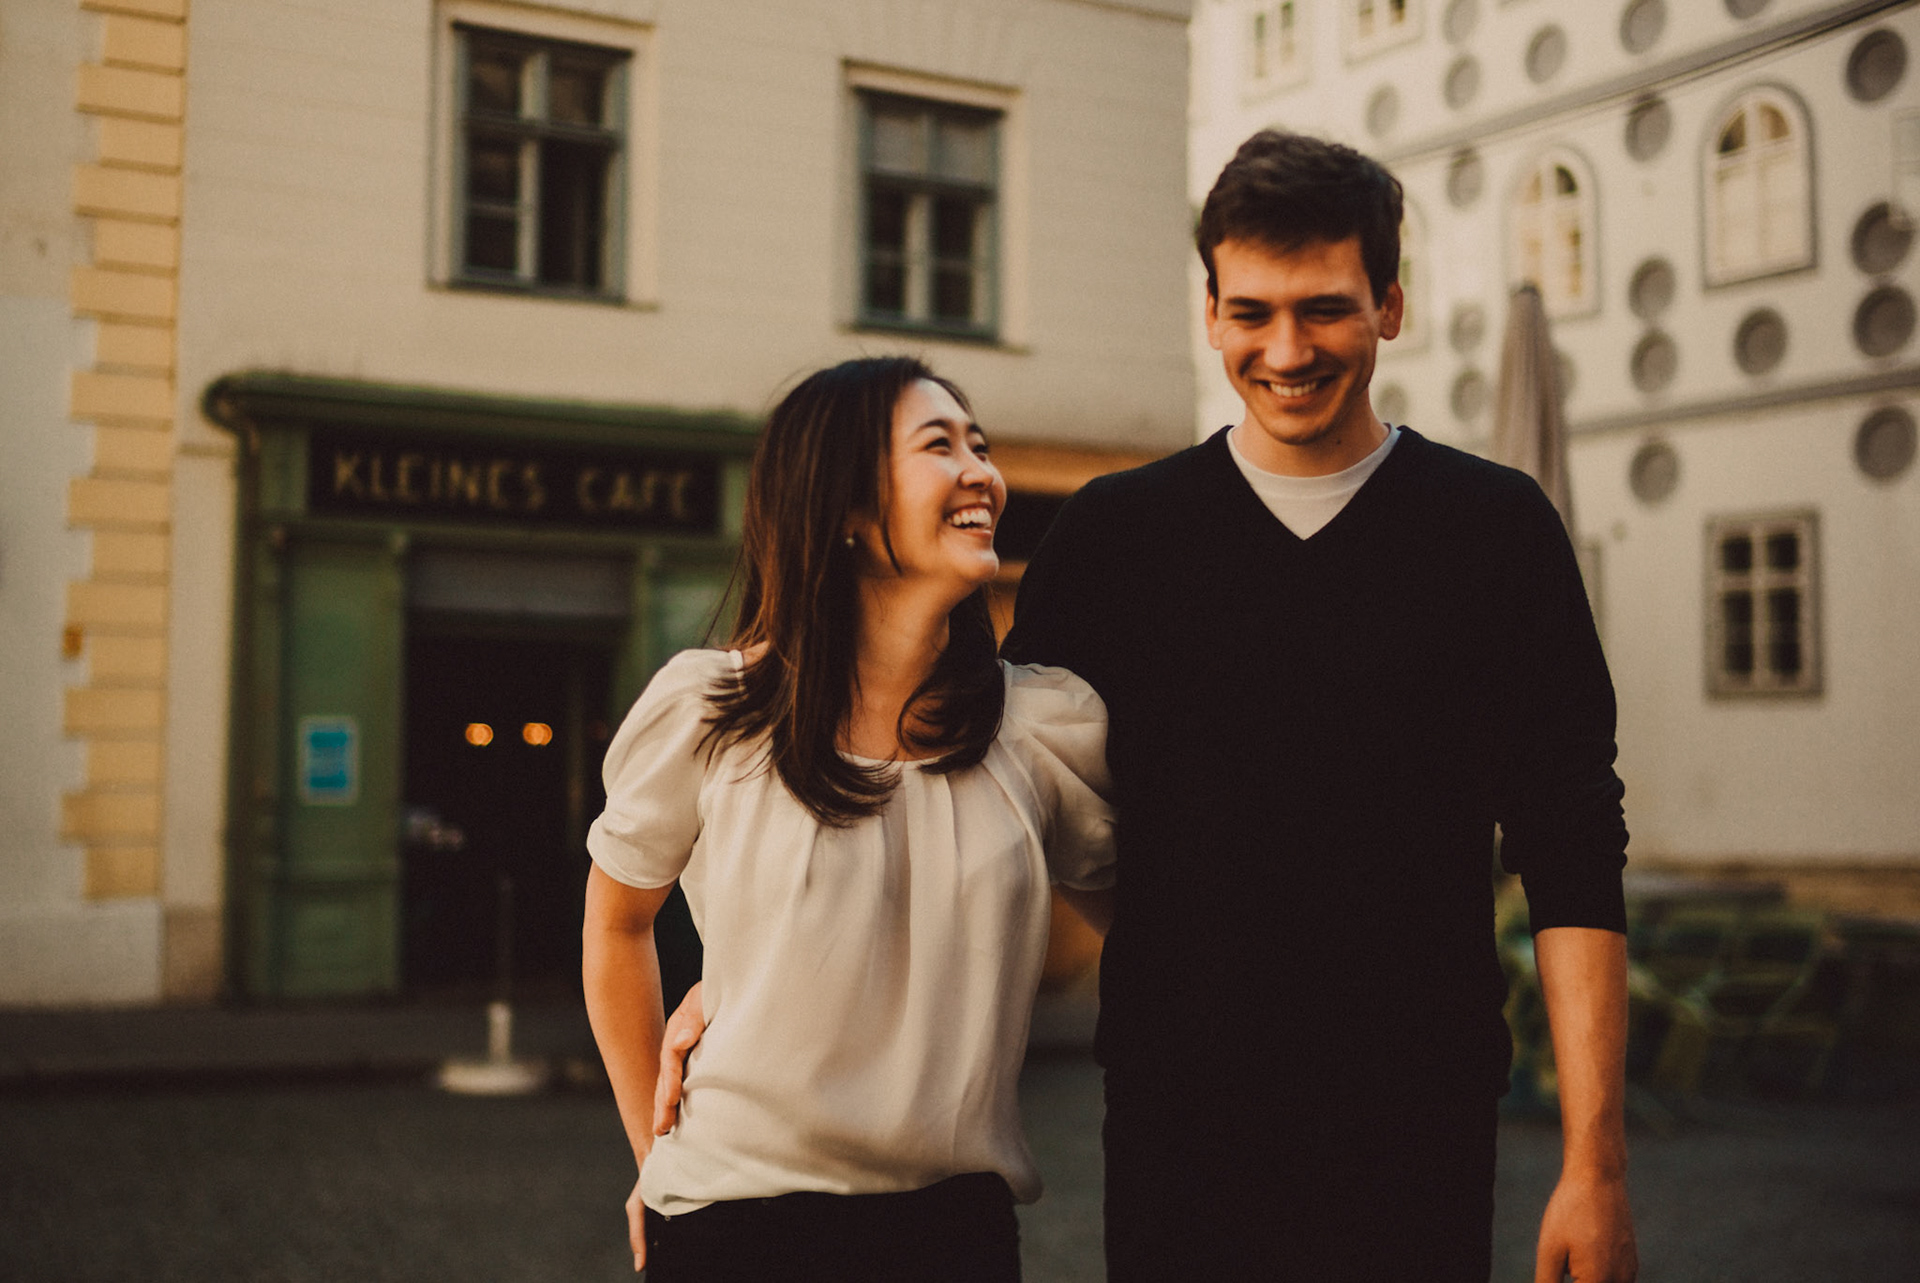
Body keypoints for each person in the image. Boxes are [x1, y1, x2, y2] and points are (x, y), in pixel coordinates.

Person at [993, 130, 1639, 1282]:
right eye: (1251, 312)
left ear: (1391, 305)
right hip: (1178, 1129)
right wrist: (741, 999)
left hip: (1418, 1126)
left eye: (1324, 309)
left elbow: (1575, 844)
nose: (1284, 350)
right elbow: (981, 814)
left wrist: (1595, 1163)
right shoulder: (1112, 539)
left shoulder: (1495, 532)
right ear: (1209, 313)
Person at [581, 356, 1116, 1282]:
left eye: (979, 445)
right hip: (732, 1225)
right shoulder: (710, 710)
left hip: (954, 1234)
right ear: (845, 513)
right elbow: (617, 922)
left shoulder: (1039, 731)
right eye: (939, 445)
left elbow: (1162, 937)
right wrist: (653, 1154)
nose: (981, 471)